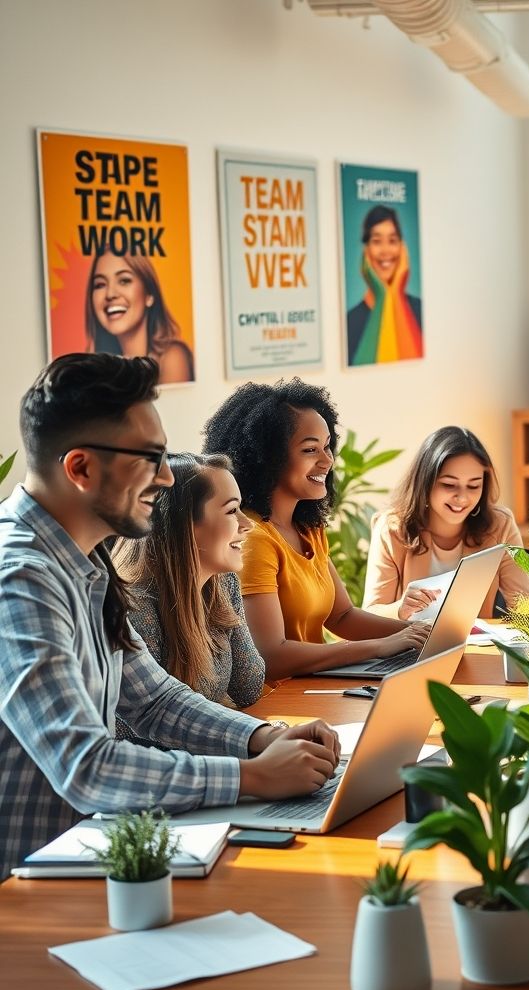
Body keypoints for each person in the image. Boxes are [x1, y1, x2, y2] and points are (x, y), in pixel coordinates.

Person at [0, 354, 339, 881]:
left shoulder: (84, 559)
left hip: (96, 859)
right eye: (149, 458)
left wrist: (262, 738)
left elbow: (155, 700)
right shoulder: (19, 579)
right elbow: (85, 767)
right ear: (81, 468)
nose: (165, 478)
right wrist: (250, 777)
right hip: (27, 890)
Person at [202, 379, 428, 682]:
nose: (328, 460)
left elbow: (342, 616)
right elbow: (270, 656)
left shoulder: (306, 528)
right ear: (267, 458)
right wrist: (378, 648)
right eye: (311, 449)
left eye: (327, 447)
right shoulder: (253, 538)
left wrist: (424, 634)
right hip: (280, 703)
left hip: (319, 686)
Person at [113, 453, 265, 743]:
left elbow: (249, 685)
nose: (248, 524)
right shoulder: (133, 607)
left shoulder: (221, 584)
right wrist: (257, 742)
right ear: (184, 525)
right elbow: (141, 735)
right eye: (232, 511)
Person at [363, 425, 529, 620]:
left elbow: (527, 608)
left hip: (475, 647)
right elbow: (370, 614)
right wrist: (400, 608)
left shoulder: (499, 525)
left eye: (473, 486)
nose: (462, 498)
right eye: (449, 485)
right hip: (409, 646)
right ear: (425, 483)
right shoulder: (393, 529)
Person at [86, 248, 194, 384]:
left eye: (124, 280)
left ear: (149, 295)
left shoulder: (172, 357)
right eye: (100, 284)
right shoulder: (97, 367)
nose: (110, 294)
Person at [346, 205, 423, 366]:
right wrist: (382, 296)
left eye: (393, 241)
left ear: (402, 249)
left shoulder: (421, 311)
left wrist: (394, 292)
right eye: (376, 241)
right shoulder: (350, 323)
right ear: (366, 251)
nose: (385, 250)